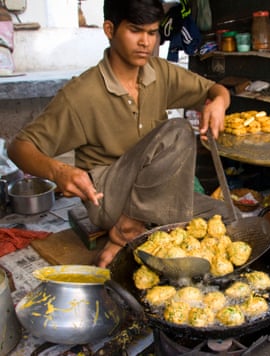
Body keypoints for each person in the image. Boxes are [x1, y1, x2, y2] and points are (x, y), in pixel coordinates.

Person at [7, 0, 230, 268]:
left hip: (155, 193)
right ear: (110, 29)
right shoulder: (82, 94)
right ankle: (125, 231)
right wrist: (58, 172)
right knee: (178, 131)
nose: (146, 42)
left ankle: (145, 226)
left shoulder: (160, 73)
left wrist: (219, 103)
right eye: (135, 31)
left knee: (228, 216)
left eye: (152, 32)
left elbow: (216, 90)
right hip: (109, 198)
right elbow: (19, 147)